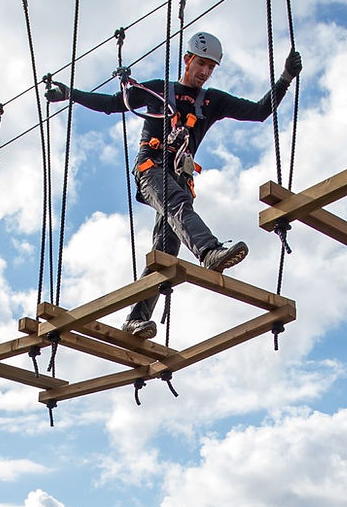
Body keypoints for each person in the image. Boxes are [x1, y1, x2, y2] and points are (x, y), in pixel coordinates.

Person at [46, 33, 302, 338]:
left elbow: (260, 111)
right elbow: (113, 104)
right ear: (187, 60)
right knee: (176, 203)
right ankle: (209, 251)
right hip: (150, 169)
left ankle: (135, 319)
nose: (205, 72)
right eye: (201, 64)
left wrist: (285, 77)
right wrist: (70, 94)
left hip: (178, 177)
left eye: (211, 67)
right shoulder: (158, 91)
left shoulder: (211, 102)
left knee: (166, 252)